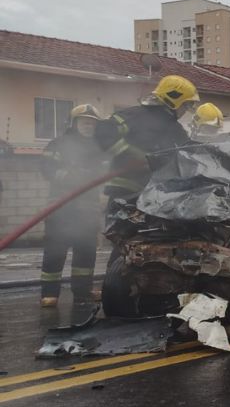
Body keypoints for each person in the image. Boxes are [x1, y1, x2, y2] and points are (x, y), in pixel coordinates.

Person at [95, 74, 198, 204]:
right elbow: (104, 131)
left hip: (157, 196)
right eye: (185, 105)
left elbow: (190, 156)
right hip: (125, 192)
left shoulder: (176, 130)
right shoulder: (136, 116)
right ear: (174, 100)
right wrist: (132, 155)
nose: (185, 111)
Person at [39, 104, 105, 307]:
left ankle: (82, 292)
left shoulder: (99, 147)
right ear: (73, 123)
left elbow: (106, 173)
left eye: (92, 123)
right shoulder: (59, 144)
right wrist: (70, 176)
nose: (88, 125)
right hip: (62, 209)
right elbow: (47, 169)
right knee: (55, 250)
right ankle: (49, 294)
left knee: (86, 252)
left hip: (88, 211)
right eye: (84, 121)